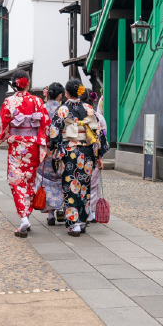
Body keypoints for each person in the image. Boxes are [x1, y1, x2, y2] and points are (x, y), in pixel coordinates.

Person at [0, 69, 50, 238]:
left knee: (17, 182)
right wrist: (43, 145)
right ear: (27, 83)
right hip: (32, 147)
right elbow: (45, 123)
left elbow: (4, 125)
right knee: (30, 181)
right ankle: (27, 215)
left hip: (17, 147)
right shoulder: (38, 101)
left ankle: (23, 217)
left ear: (14, 83)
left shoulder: (9, 102)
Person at [49, 79, 109, 237]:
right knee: (84, 186)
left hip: (70, 153)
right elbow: (98, 134)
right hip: (87, 153)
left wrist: (55, 152)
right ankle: (82, 221)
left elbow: (54, 133)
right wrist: (99, 156)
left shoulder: (62, 110)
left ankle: (73, 224)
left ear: (67, 93)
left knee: (71, 188)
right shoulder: (89, 109)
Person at [37, 82, 65, 226]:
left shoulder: (41, 108)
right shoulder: (63, 110)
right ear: (60, 95)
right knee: (60, 178)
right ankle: (60, 208)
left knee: (46, 179)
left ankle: (50, 215)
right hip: (60, 149)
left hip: (45, 149)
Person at [86, 92, 108, 223]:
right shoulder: (99, 117)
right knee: (93, 185)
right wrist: (100, 157)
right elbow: (103, 137)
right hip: (94, 154)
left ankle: (84, 211)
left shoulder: (76, 116)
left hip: (78, 154)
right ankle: (92, 213)